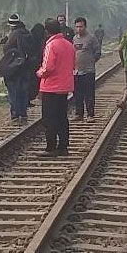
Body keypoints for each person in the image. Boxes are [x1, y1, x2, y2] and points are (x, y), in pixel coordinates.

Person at [37, 20, 75, 157]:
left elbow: (48, 67)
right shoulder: (69, 45)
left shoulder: (51, 45)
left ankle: (51, 147)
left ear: (47, 32)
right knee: (62, 117)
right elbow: (73, 64)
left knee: (49, 118)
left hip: (51, 87)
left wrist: (39, 73)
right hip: (64, 86)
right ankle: (63, 146)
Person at [0, 14, 33, 125]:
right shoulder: (27, 33)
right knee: (23, 91)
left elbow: (7, 50)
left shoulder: (13, 34)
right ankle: (23, 115)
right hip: (25, 67)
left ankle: (15, 115)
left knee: (13, 92)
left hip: (14, 69)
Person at [71, 16, 101, 122]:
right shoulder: (74, 39)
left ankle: (90, 114)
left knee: (89, 94)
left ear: (85, 26)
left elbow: (97, 52)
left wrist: (92, 61)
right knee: (77, 94)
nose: (79, 29)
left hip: (88, 71)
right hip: (77, 72)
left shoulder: (91, 38)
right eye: (77, 27)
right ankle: (79, 113)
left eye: (81, 26)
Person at [27, 22, 47, 107]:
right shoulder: (42, 39)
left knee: (31, 82)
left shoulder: (30, 38)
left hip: (32, 63)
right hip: (36, 63)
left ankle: (31, 97)